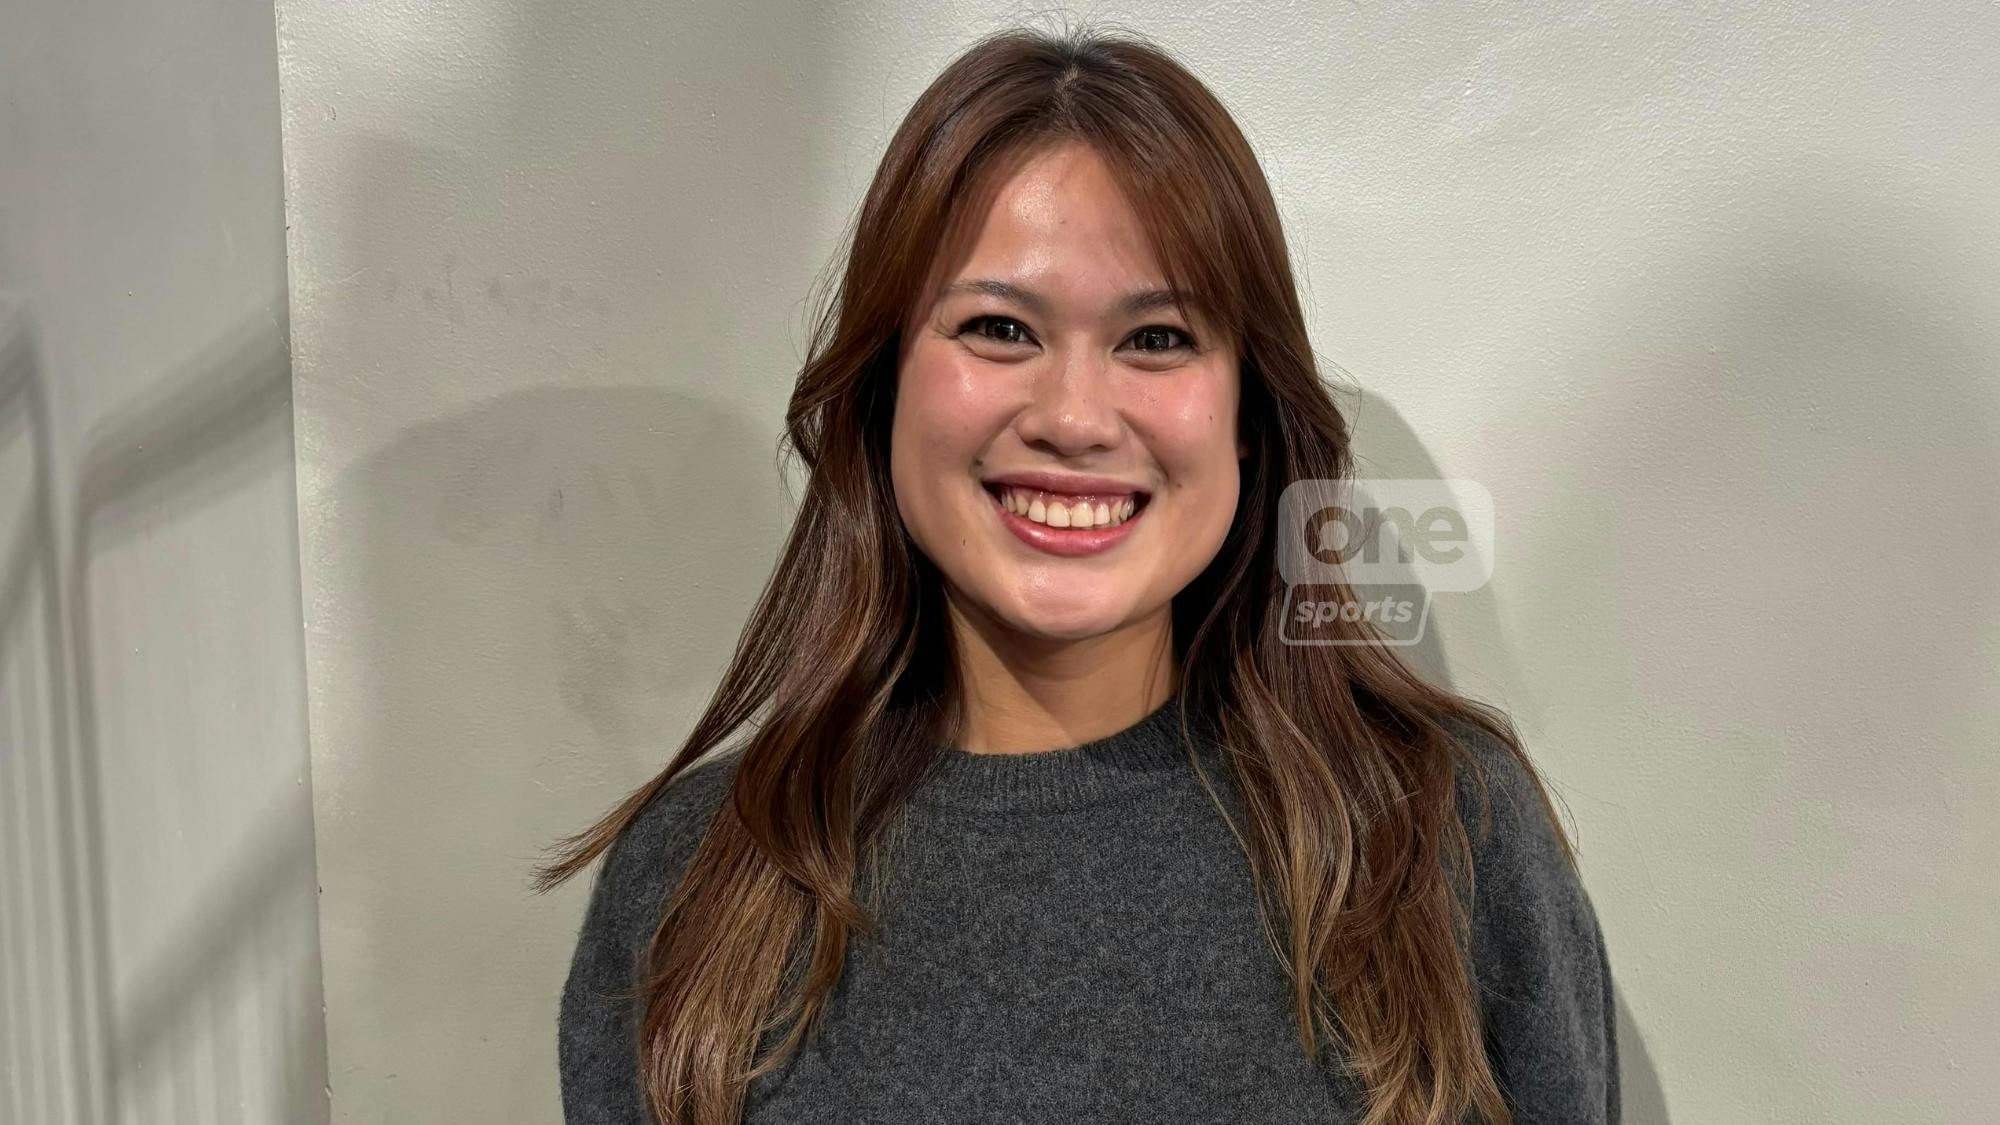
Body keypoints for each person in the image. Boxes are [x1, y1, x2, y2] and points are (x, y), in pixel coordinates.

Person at [539, 22, 1618, 1125]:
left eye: (1156, 339)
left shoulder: (1439, 834)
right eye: (999, 327)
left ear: (1248, 416)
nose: (1073, 418)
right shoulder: (696, 880)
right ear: (883, 385)